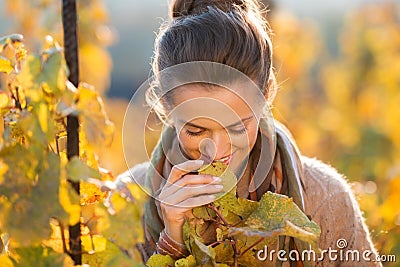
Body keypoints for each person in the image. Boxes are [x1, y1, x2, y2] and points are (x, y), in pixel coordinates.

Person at [114, 0, 382, 266]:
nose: (217, 152)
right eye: (196, 131)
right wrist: (172, 243)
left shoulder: (325, 200)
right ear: (166, 108)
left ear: (267, 93)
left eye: (237, 127)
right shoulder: (124, 202)